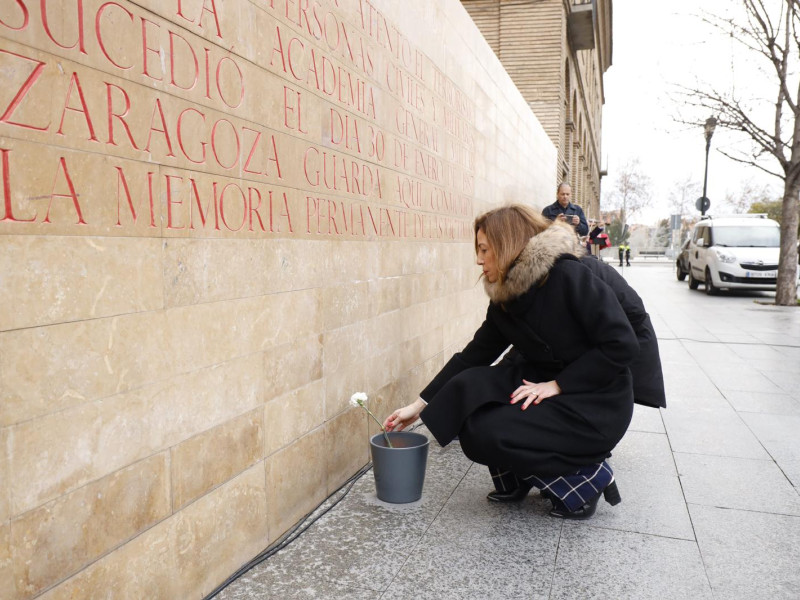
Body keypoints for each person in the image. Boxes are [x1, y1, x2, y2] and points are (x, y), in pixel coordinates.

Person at [384, 205, 640, 520]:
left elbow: (622, 344)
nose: (478, 260)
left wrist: (559, 385)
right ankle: (518, 477)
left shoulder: (568, 276)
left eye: (484, 249)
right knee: (469, 395)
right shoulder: (506, 299)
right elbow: (473, 355)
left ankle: (587, 479)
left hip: (596, 403)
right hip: (543, 387)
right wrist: (418, 405)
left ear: (506, 246)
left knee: (490, 432)